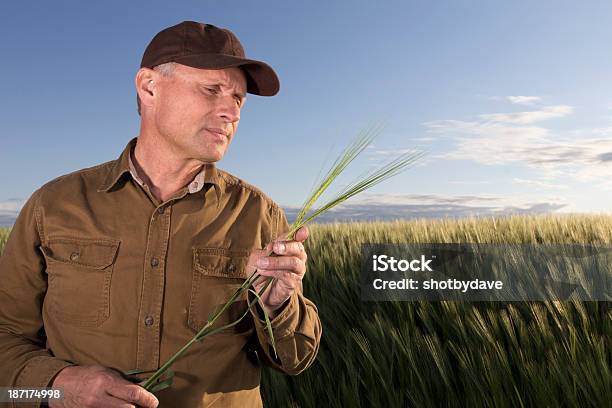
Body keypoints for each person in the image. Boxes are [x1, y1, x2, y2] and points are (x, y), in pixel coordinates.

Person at [0, 21, 322, 408]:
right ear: (148, 86)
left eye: (238, 99)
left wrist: (277, 307)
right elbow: (5, 339)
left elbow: (297, 361)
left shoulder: (259, 214)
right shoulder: (53, 205)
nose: (230, 112)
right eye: (211, 90)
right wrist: (55, 387)